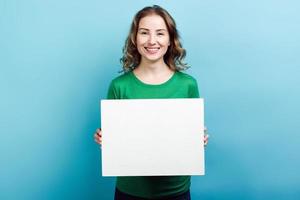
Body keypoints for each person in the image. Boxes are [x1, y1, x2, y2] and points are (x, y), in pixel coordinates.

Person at [94, 5, 209, 200]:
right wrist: (104, 139)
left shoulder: (188, 84)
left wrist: (198, 140)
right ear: (135, 38)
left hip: (175, 191)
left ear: (170, 40)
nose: (152, 41)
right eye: (144, 32)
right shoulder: (119, 86)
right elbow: (116, 142)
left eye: (160, 33)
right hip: (130, 191)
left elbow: (190, 136)